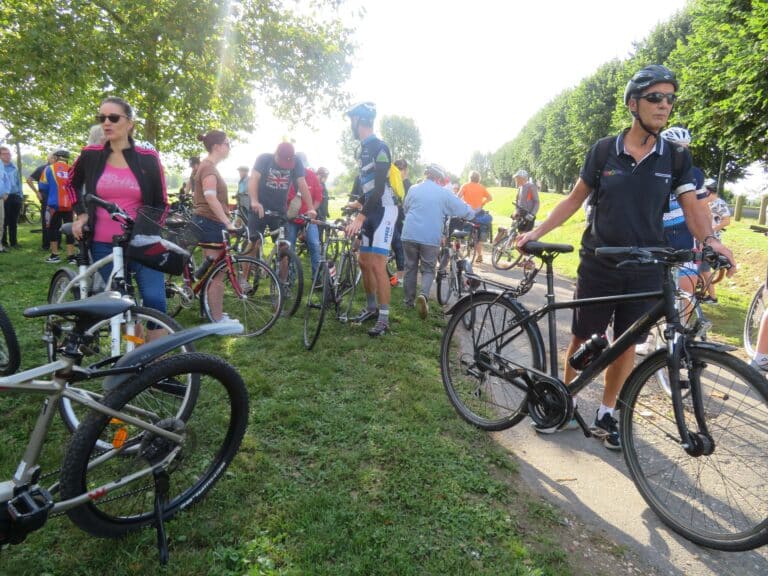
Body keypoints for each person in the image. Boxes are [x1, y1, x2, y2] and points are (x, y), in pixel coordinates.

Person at [516, 64, 735, 450]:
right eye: (655, 98)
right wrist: (536, 233)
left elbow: (693, 208)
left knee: (627, 342)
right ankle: (563, 403)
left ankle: (607, 413)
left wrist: (711, 241)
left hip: (648, 265)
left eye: (670, 99)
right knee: (585, 337)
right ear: (633, 104)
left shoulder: (675, 158)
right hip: (600, 261)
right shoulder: (604, 151)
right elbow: (573, 200)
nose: (664, 105)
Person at [68, 96, 169, 314]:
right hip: (103, 245)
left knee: (156, 302)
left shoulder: (147, 157)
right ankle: (135, 344)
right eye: (102, 117)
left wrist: (146, 233)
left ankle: (156, 348)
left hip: (144, 243)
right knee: (121, 306)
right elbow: (70, 184)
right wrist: (81, 214)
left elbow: (162, 202)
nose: (106, 123)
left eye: (113, 117)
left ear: (130, 123)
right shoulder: (90, 155)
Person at [636, 126, 708, 354]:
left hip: (683, 237)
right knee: (655, 292)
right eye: (678, 148)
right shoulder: (650, 169)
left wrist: (710, 238)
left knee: (687, 289)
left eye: (686, 148)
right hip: (656, 238)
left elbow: (702, 208)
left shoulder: (695, 174)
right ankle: (647, 335)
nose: (682, 152)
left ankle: (681, 334)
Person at [343, 101, 398, 337]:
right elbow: (365, 190)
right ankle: (371, 307)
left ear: (359, 120)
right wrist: (357, 208)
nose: (350, 125)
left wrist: (361, 216)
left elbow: (377, 190)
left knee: (377, 264)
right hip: (370, 210)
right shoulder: (363, 149)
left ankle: (384, 319)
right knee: (363, 261)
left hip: (384, 210)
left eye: (351, 120)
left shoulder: (379, 147)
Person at [401, 163, 474, 319]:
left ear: (427, 175)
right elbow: (461, 209)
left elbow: (405, 208)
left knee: (410, 267)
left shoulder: (413, 188)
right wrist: (472, 213)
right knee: (428, 269)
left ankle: (408, 302)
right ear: (439, 178)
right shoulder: (443, 193)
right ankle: (424, 296)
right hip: (430, 236)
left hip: (409, 233)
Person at [246, 142, 316, 285]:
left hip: (279, 210)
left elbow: (302, 184)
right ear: (276, 154)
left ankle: (282, 285)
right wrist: (254, 201)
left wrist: (310, 207)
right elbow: (253, 179)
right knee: (254, 242)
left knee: (284, 246)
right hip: (259, 208)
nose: (285, 165)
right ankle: (243, 279)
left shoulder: (296, 163)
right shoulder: (264, 159)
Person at [191, 130, 238, 322]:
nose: (229, 147)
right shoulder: (209, 168)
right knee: (217, 274)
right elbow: (210, 196)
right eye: (227, 143)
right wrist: (227, 222)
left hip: (208, 221)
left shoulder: (207, 166)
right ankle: (217, 319)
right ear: (217, 147)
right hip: (210, 222)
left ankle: (212, 312)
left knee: (213, 272)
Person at [285, 152, 323, 278]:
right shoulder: (288, 176)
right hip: (292, 219)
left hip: (308, 219)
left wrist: (312, 211)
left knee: (314, 244)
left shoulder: (312, 176)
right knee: (288, 246)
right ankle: (289, 279)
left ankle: (317, 278)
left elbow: (318, 198)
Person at [40, 149, 76, 263]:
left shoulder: (49, 168)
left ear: (56, 157)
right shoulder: (72, 169)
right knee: (70, 229)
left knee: (52, 228)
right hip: (69, 204)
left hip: (53, 204)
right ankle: (71, 256)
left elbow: (43, 187)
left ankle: (55, 255)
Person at [699, 178, 731, 304]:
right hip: (701, 239)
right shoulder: (705, 202)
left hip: (711, 241)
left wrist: (711, 231)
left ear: (709, 190)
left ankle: (712, 297)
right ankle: (702, 293)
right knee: (700, 269)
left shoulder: (719, 203)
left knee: (704, 269)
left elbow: (726, 220)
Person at [458, 171, 492, 263]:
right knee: (479, 230)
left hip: (467, 213)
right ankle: (479, 255)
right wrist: (482, 203)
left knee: (464, 229)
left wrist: (462, 204)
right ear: (478, 179)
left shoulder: (465, 186)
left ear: (470, 177)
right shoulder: (481, 187)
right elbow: (490, 198)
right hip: (478, 213)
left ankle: (461, 249)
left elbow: (458, 197)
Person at [27, 153, 54, 250]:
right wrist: (37, 192)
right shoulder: (42, 168)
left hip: (57, 199)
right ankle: (46, 245)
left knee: (56, 221)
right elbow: (29, 180)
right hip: (45, 198)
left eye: (56, 157)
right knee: (46, 221)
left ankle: (56, 244)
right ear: (48, 158)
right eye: (52, 157)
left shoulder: (58, 168)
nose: (54, 159)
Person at [390, 158, 411, 286]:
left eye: (401, 170)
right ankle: (399, 278)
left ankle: (400, 278)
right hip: (395, 218)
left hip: (400, 219)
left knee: (399, 247)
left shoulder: (408, 184)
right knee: (398, 247)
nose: (401, 172)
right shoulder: (397, 182)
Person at [0, 145, 23, 249]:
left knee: (14, 221)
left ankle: (14, 242)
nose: (8, 156)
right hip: (4, 197)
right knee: (3, 221)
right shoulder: (1, 168)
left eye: (9, 154)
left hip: (15, 197)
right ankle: (4, 243)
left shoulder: (14, 167)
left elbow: (19, 182)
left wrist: (20, 196)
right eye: (5, 154)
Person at [0, 162, 9, 253]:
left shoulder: (1, 165)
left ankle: (0, 246)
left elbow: (6, 180)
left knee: (0, 222)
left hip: (0, 199)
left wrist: (6, 192)